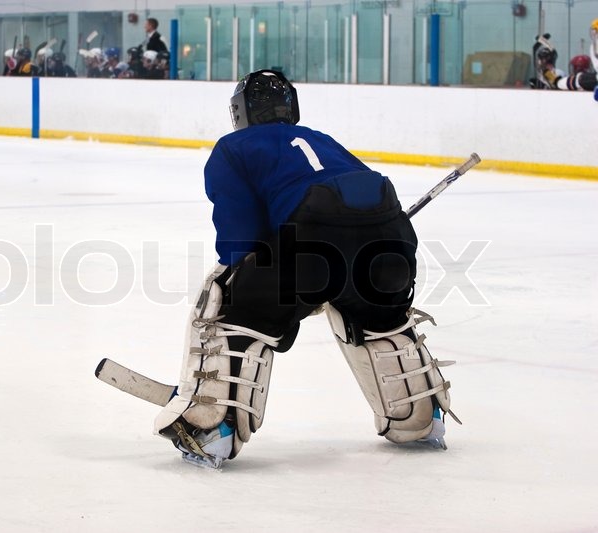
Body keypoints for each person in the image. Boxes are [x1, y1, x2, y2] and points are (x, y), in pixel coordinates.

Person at [153, 69, 459, 468]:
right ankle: (421, 419)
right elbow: (362, 195)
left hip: (313, 245)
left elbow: (239, 241)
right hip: (391, 244)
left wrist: (276, 284)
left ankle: (214, 430)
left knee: (232, 305)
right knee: (381, 317)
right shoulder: (322, 139)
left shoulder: (233, 147)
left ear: (239, 113)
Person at [530, 32, 597, 91]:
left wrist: (555, 83)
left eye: (544, 59)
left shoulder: (558, 73)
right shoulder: (546, 73)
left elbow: (561, 86)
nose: (541, 62)